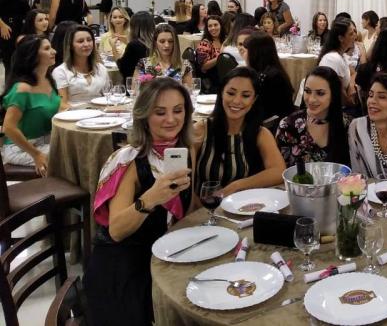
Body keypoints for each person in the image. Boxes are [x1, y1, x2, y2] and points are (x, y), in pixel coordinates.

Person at [84, 78, 195, 326]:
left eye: (178, 110)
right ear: (144, 116)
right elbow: (116, 230)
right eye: (160, 112)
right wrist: (151, 198)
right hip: (124, 267)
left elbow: (188, 209)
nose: (171, 119)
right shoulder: (129, 160)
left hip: (166, 255)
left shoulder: (184, 150)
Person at [194, 67, 285, 195]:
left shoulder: (260, 133)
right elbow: (184, 182)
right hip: (202, 205)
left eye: (245, 96)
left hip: (241, 205)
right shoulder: (201, 130)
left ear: (254, 99)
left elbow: (278, 171)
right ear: (221, 93)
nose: (237, 101)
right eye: (231, 93)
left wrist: (238, 185)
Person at [0, 35, 60, 175]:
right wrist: (36, 154)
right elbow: (8, 128)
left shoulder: (48, 80)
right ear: (32, 56)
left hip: (47, 141)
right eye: (47, 48)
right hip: (21, 149)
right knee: (69, 157)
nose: (54, 51)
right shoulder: (22, 89)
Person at [277, 67, 350, 167]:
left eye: (320, 93)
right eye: (307, 91)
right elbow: (281, 170)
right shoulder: (288, 126)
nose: (311, 99)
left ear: (333, 95)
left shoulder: (348, 124)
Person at [52, 25, 110, 109]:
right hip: (73, 113)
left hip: (100, 112)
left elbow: (108, 96)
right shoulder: (61, 71)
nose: (86, 44)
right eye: (80, 41)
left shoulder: (101, 68)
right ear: (71, 45)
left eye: (89, 40)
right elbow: (62, 104)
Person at [244, 31, 295, 123]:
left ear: (255, 53)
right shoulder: (268, 72)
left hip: (272, 125)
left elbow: (263, 110)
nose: (244, 54)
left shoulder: (271, 77)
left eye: (246, 51)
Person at [318, 17, 357, 106]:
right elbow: (338, 95)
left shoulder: (342, 55)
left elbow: (354, 73)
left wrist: (351, 86)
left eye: (355, 32)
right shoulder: (333, 59)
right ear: (341, 38)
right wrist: (352, 103)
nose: (355, 36)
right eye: (351, 34)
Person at [0, 0, 31, 69]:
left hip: (20, 29)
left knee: (19, 62)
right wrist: (2, 25)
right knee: (10, 61)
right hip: (9, 29)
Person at [115, 11, 155, 80]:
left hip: (134, 82)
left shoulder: (134, 45)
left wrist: (113, 46)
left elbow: (122, 69)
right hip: (152, 81)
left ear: (133, 28)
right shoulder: (156, 43)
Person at [194, 15, 226, 91]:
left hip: (226, 75)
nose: (213, 28)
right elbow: (203, 66)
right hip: (212, 81)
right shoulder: (205, 43)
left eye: (215, 25)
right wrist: (220, 57)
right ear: (207, 28)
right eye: (210, 26)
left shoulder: (226, 40)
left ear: (221, 26)